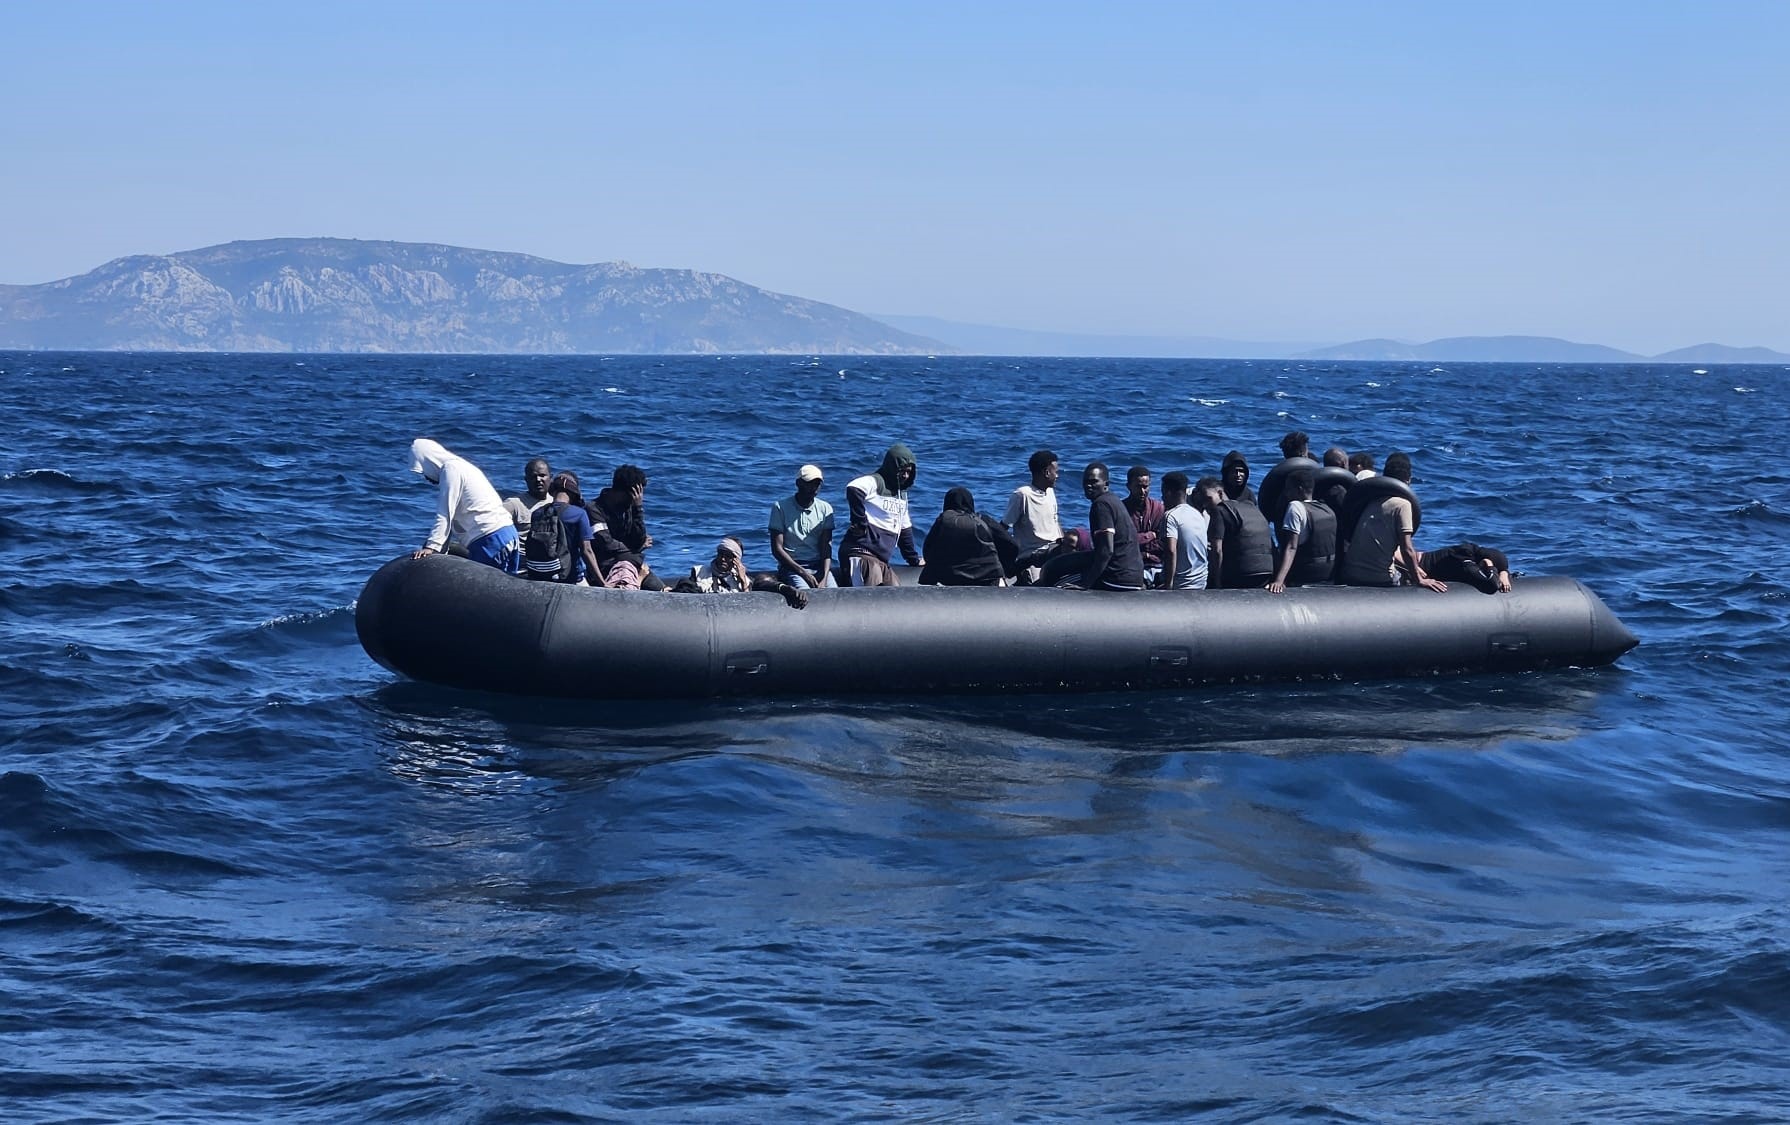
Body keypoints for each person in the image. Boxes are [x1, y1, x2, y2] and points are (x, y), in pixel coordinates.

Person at [1337, 452, 1447, 592]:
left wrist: (1415, 568)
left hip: (1349, 573)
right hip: (1378, 579)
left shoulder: (1370, 499)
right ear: (1408, 480)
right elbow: (1407, 549)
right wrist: (1419, 579)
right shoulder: (1403, 505)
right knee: (1407, 578)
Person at [408, 438, 519, 573]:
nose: (425, 477)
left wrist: (432, 547)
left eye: (423, 471)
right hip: (507, 534)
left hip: (490, 539)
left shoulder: (451, 469)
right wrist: (440, 548)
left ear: (428, 462)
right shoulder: (463, 466)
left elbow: (445, 513)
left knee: (482, 589)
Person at [838, 443, 923, 587]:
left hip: (881, 559)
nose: (905, 475)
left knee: (894, 593)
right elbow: (854, 488)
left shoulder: (901, 496)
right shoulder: (877, 481)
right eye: (902, 471)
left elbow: (904, 530)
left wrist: (913, 559)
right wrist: (860, 522)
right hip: (861, 554)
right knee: (870, 597)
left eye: (909, 472)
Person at [1060, 462, 1146, 591]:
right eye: (1086, 482)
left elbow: (1106, 550)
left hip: (1117, 578)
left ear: (1106, 484)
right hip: (1134, 577)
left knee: (1058, 581)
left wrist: (1085, 584)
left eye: (1094, 482)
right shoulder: (1113, 500)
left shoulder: (1101, 505)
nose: (1089, 486)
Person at [1001, 449, 1074, 582]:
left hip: (1055, 550)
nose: (1057, 476)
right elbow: (1003, 527)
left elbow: (1054, 521)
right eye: (1055, 472)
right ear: (1046, 473)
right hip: (1033, 556)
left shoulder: (1050, 492)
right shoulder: (1022, 495)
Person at [588, 464, 664, 591]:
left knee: (661, 589)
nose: (633, 500)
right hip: (607, 567)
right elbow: (606, 544)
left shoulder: (629, 508)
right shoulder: (594, 509)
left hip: (631, 563)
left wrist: (638, 509)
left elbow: (638, 539)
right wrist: (636, 550)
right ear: (622, 492)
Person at [920, 487, 1014, 586]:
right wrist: (1005, 568)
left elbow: (927, 550)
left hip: (949, 580)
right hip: (988, 580)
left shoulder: (943, 521)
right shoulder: (983, 521)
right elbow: (1012, 545)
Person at [1265, 468, 1338, 593]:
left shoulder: (1295, 507)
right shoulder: (1326, 509)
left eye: (1288, 489)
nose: (1286, 493)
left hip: (1306, 574)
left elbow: (1291, 547)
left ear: (1298, 489)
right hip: (1328, 573)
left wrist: (1279, 580)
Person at [523, 471, 603, 584]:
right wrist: (603, 583)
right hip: (569, 578)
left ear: (552, 491)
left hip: (538, 575)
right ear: (574, 493)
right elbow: (587, 551)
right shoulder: (579, 514)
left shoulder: (537, 513)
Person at [679, 538, 807, 607]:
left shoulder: (743, 580)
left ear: (736, 560)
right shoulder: (699, 572)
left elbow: (748, 604)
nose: (723, 559)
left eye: (728, 556)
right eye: (721, 554)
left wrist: (743, 582)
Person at [768, 464, 836, 589]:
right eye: (809, 484)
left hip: (817, 566)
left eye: (817, 484)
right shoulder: (780, 508)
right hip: (792, 567)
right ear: (799, 483)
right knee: (804, 593)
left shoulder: (825, 509)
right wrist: (803, 573)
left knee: (834, 594)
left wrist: (824, 575)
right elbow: (777, 549)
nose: (814, 488)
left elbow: (826, 547)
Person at [1207, 479, 1275, 589]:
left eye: (1208, 499)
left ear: (1220, 493)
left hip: (1241, 575)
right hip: (1267, 573)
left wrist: (1217, 583)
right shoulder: (1253, 508)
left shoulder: (1219, 510)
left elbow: (1217, 550)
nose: (1206, 505)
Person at [1157, 472, 1218, 591]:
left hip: (1181, 585)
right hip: (1201, 582)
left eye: (1163, 493)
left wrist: (1168, 586)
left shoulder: (1170, 516)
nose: (1162, 498)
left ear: (1168, 492)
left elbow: (1170, 551)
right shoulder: (1198, 515)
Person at [1122, 465, 1166, 581]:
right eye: (1138, 487)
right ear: (1129, 486)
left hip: (1157, 564)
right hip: (1130, 565)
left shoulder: (1158, 509)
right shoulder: (1121, 510)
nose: (1142, 491)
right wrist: (1150, 535)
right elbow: (1124, 542)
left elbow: (1163, 543)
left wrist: (1144, 552)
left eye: (1145, 487)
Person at [1419, 544, 1514, 593]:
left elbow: (1502, 563)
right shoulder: (1467, 563)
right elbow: (1491, 587)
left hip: (1417, 560)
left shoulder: (1473, 551)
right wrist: (1489, 565)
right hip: (1419, 567)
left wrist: (1503, 573)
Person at [503, 458, 554, 543]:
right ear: (526, 480)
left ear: (550, 478)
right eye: (533, 477)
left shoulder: (555, 503)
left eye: (542, 475)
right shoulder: (513, 504)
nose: (538, 480)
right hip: (521, 554)